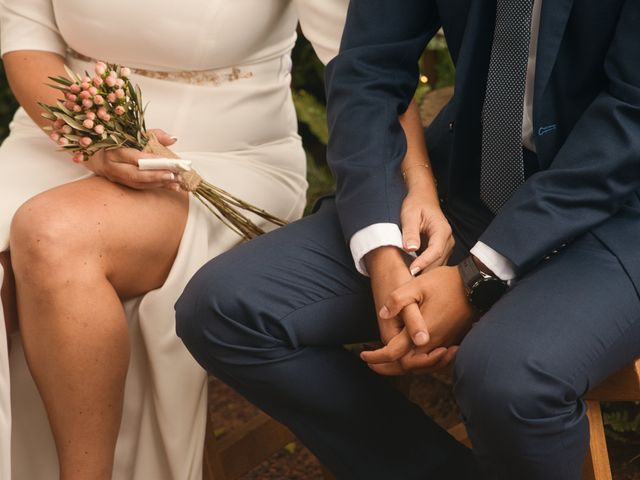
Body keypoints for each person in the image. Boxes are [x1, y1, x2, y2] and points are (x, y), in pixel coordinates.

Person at [176, 0, 640, 478]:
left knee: (508, 382)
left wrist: (475, 278)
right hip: (470, 187)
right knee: (225, 308)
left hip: (620, 216)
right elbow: (367, 68)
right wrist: (380, 249)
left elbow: (632, 120)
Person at [0, 0, 349, 478]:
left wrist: (402, 189)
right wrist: (90, 139)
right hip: (60, 135)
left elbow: (361, 64)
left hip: (225, 153)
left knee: (52, 235)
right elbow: (28, 43)